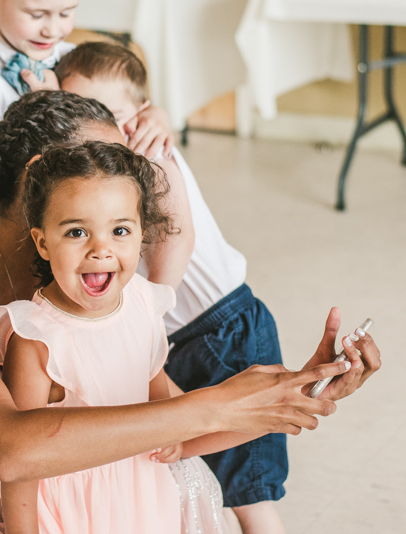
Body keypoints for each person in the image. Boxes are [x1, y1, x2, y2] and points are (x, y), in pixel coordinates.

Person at [0, 91, 380, 534]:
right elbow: (8, 448)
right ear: (38, 178)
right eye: (104, 159)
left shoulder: (100, 292)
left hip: (66, 500)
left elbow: (171, 426)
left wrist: (294, 392)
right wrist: (221, 399)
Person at [54, 42, 291, 532]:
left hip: (224, 328)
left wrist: (139, 326)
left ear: (140, 118)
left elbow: (168, 255)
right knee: (188, 466)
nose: (90, 135)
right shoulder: (108, 168)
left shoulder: (151, 155)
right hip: (182, 335)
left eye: (108, 116)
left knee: (248, 490)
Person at [0, 141, 232, 534]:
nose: (101, 249)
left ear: (141, 236)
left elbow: (160, 402)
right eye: (77, 232)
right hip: (74, 512)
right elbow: (21, 462)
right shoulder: (36, 337)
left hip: (143, 495)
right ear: (43, 242)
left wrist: (174, 439)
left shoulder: (142, 302)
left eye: (119, 230)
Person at [0, 0, 174, 250]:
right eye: (36, 14)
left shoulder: (71, 55)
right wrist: (50, 106)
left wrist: (153, 113)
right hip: (9, 245)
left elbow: (119, 107)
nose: (52, 30)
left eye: (66, 13)